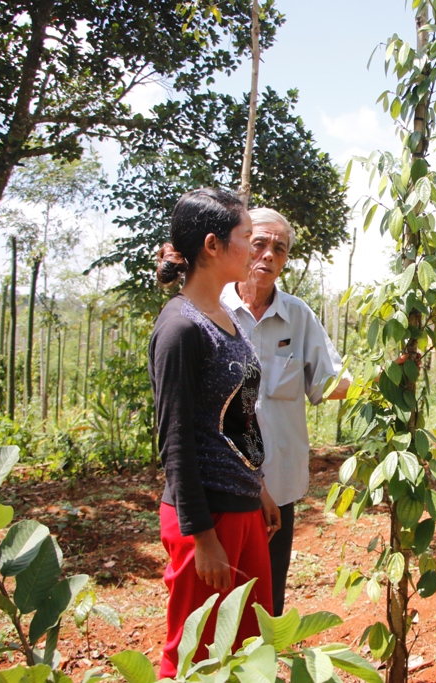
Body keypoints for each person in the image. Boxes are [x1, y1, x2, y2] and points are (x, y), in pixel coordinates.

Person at [149, 189, 281, 677]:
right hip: (207, 518)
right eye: (247, 238)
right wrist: (202, 536)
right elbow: (175, 440)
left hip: (242, 507)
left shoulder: (227, 321)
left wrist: (259, 486)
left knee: (249, 648)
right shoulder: (180, 329)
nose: (255, 250)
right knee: (194, 652)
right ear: (213, 245)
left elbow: (238, 416)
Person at [220, 207, 350, 617]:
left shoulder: (298, 315)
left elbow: (328, 383)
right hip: (222, 486)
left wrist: (380, 379)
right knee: (220, 601)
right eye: (259, 243)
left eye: (279, 248)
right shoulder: (212, 310)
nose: (268, 255)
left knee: (268, 599)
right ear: (241, 246)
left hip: (279, 484)